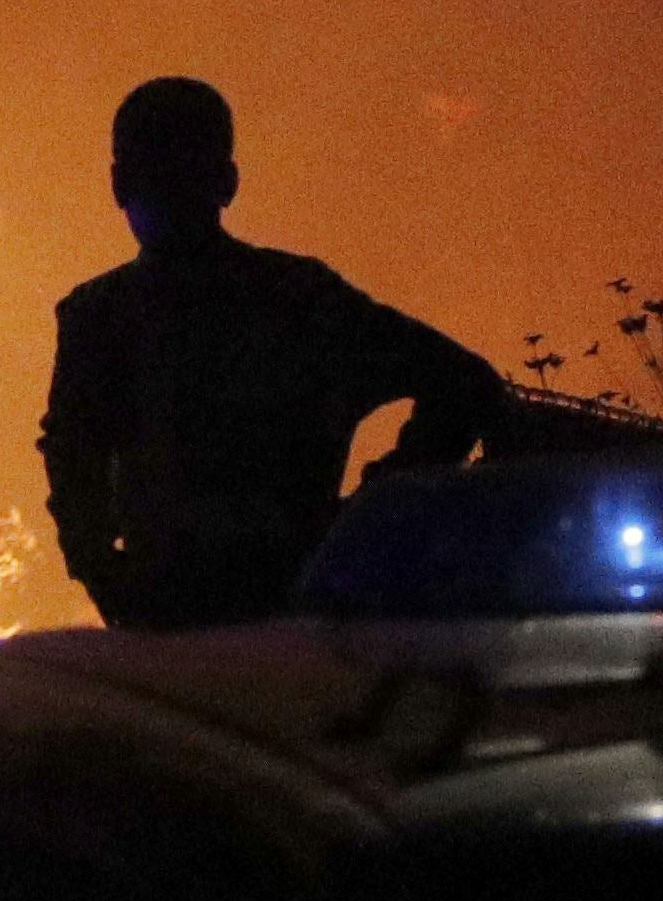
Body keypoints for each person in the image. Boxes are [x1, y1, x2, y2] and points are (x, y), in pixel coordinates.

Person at [39, 76, 530, 629]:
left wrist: (113, 581)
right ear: (228, 182)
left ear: (118, 185)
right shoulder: (301, 297)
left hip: (201, 626)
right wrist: (367, 518)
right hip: (291, 618)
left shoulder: (103, 317)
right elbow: (469, 386)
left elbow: (72, 469)